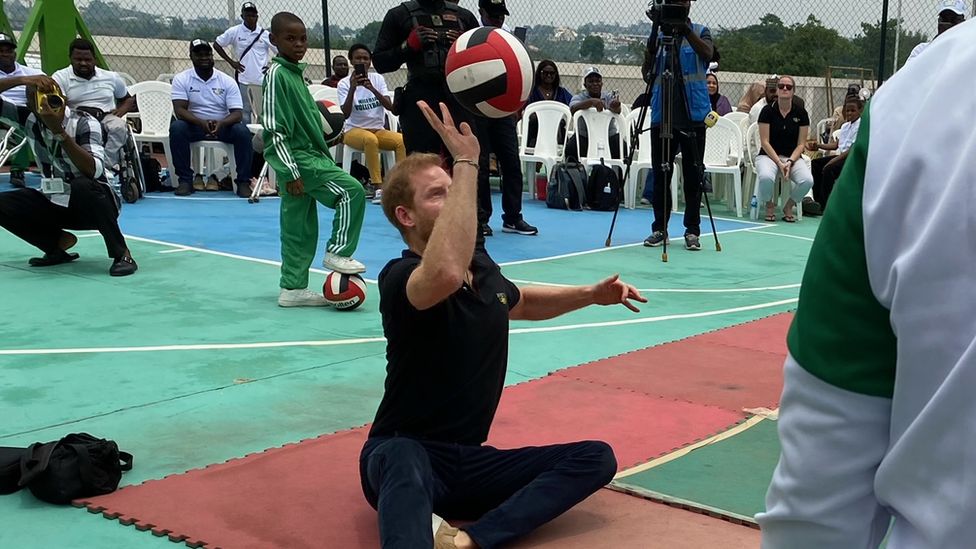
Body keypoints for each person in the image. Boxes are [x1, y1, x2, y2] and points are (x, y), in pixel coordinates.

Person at [362, 99, 646, 549]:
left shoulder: (481, 266)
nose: (454, 195)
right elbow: (445, 275)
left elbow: (518, 302)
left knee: (594, 458)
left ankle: (469, 541)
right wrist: (468, 161)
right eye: (438, 194)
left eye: (452, 186)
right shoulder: (400, 278)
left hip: (468, 463)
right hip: (402, 452)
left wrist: (590, 295)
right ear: (406, 216)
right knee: (401, 456)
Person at [758, 21, 976, 548]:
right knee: (785, 175)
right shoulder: (920, 102)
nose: (786, 93)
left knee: (809, 175)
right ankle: (775, 202)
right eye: (782, 87)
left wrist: (795, 159)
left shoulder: (923, 102)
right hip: (783, 165)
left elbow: (815, 513)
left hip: (825, 170)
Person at [264, 12, 367, 307]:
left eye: (303, 38)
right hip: (299, 160)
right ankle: (338, 250)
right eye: (290, 38)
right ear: (274, 40)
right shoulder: (277, 75)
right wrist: (290, 169)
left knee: (298, 225)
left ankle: (292, 288)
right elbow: (274, 127)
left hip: (303, 157)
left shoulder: (294, 74)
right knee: (352, 191)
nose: (299, 44)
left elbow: (306, 122)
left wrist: (328, 140)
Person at [0, 74, 137, 276]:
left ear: (63, 98)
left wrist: (59, 132)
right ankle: (55, 245)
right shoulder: (29, 119)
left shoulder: (83, 122)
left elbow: (93, 170)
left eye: (52, 96)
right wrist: (23, 81)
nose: (48, 102)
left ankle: (122, 253)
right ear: (30, 103)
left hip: (94, 203)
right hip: (55, 200)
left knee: (83, 185)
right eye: (39, 97)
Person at [641, 0, 714, 252]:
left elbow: (708, 55)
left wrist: (685, 29)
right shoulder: (660, 35)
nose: (678, 4)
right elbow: (647, 73)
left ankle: (692, 230)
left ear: (689, 4)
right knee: (661, 173)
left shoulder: (701, 31)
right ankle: (659, 228)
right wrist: (654, 28)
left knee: (694, 175)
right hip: (664, 114)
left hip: (693, 113)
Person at [373, 0, 479, 158]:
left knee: (465, 159)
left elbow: (483, 59)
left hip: (458, 97)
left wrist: (464, 45)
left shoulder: (463, 17)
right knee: (421, 164)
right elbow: (380, 62)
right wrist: (407, 46)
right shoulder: (399, 15)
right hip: (420, 100)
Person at [475, 0, 537, 237]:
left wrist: (519, 103)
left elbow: (522, 71)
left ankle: (513, 217)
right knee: (480, 166)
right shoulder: (473, 35)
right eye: (493, 14)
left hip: (503, 110)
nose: (498, 19)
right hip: (478, 108)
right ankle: (481, 218)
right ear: (481, 13)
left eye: (501, 14)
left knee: (511, 163)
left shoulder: (510, 39)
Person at [170, 39, 254, 197]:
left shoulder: (226, 81)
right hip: (194, 125)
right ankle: (185, 180)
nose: (204, 57)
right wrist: (200, 122)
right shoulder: (182, 79)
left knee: (242, 132)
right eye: (199, 54)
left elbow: (237, 113)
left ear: (212, 56)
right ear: (191, 56)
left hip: (223, 125)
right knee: (177, 128)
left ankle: (243, 181)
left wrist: (222, 123)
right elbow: (180, 110)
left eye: (207, 53)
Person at [52, 38, 135, 176]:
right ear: (70, 58)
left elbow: (128, 99)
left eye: (88, 60)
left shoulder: (111, 77)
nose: (83, 63)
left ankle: (103, 166)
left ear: (94, 59)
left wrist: (120, 111)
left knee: (119, 127)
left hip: (105, 116)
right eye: (78, 59)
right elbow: (58, 104)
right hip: (77, 118)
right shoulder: (61, 77)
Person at [337, 43, 404, 203]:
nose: (362, 61)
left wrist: (373, 89)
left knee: (401, 140)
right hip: (353, 131)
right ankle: (378, 186)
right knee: (370, 139)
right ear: (351, 61)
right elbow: (344, 114)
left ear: (370, 61)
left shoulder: (378, 79)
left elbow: (391, 107)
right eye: (358, 58)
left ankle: (400, 184)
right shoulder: (344, 83)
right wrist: (353, 88)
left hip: (378, 130)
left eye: (366, 58)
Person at [756, 75, 813, 223]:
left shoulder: (801, 113)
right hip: (768, 156)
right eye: (781, 86)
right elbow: (764, 142)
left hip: (791, 157)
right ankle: (769, 204)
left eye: (788, 87)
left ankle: (789, 206)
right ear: (777, 90)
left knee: (807, 180)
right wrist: (779, 163)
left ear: (794, 91)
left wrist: (789, 161)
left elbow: (801, 144)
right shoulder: (767, 111)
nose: (785, 89)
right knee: (766, 177)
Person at [214, 1, 276, 125]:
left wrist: (272, 67)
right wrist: (232, 62)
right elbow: (217, 44)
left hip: (261, 80)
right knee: (244, 112)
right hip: (243, 79)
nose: (250, 18)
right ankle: (247, 138)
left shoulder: (264, 34)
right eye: (247, 15)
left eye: (253, 15)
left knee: (263, 111)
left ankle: (261, 139)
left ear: (257, 17)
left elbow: (279, 51)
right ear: (242, 16)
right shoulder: (235, 31)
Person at [0, 33, 43, 188]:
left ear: (14, 53)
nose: (5, 54)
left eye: (8, 50)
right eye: (0, 51)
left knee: (30, 121)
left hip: (22, 113)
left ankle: (18, 169)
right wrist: (21, 81)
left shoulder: (31, 73)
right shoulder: (25, 77)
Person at [806, 96, 862, 211]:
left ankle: (825, 205)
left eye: (853, 110)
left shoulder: (861, 126)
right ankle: (817, 201)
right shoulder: (845, 126)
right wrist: (818, 146)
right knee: (815, 164)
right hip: (841, 157)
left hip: (851, 159)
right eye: (847, 110)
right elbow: (836, 145)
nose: (850, 113)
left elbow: (851, 149)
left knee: (829, 169)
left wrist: (833, 160)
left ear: (859, 111)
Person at [568, 66, 621, 162]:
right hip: (585, 136)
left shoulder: (608, 96)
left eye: (597, 81)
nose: (595, 84)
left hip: (608, 137)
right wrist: (591, 102)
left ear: (602, 83)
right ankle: (574, 174)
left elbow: (617, 110)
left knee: (622, 146)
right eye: (591, 81)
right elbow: (573, 109)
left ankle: (619, 175)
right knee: (571, 146)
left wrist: (616, 106)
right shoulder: (579, 97)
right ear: (585, 84)